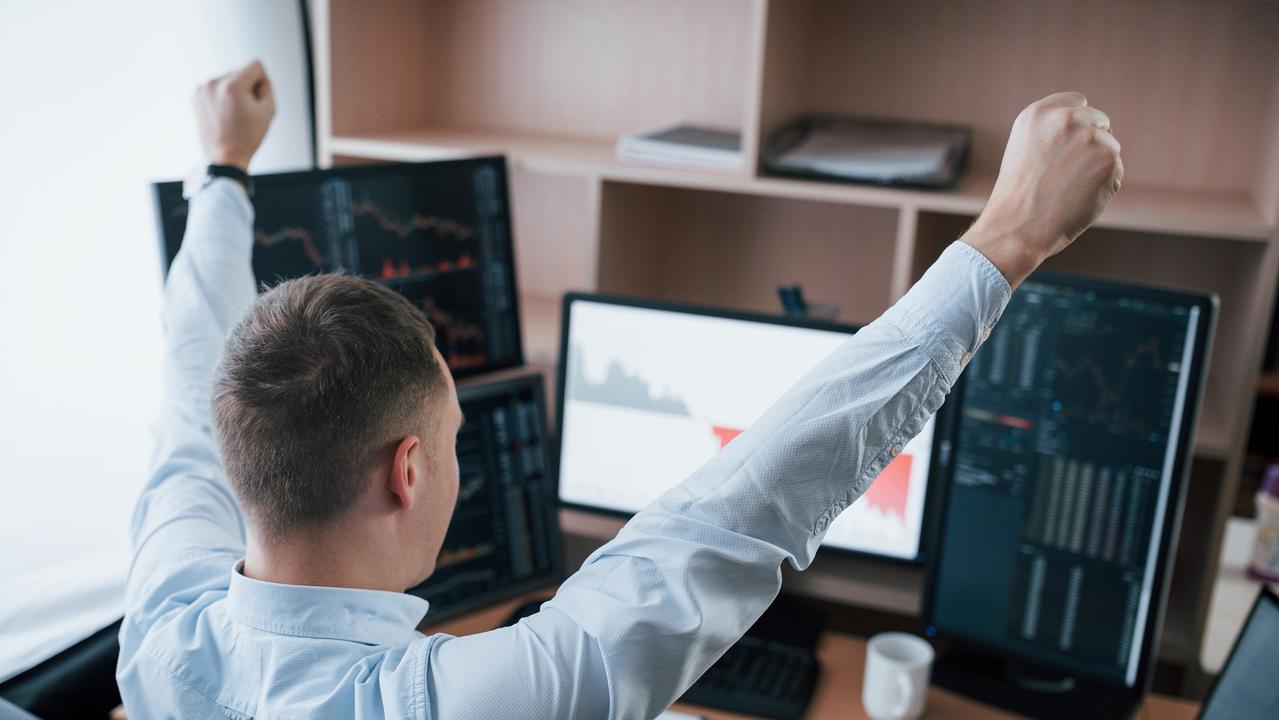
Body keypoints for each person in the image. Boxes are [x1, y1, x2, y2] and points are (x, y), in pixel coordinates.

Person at [116, 60, 1122, 718]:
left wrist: (224, 167)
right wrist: (1008, 240)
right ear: (407, 470)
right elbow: (742, 511)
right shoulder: (452, 705)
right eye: (456, 437)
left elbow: (187, 369)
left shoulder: (159, 624)